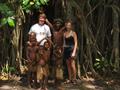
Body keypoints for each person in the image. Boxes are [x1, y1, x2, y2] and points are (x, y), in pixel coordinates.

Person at [28, 13, 52, 90]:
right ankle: (38, 84)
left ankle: (45, 85)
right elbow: (30, 37)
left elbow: (49, 38)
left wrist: (49, 48)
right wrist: (30, 44)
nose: (42, 19)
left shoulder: (47, 27)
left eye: (43, 18)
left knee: (45, 65)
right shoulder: (34, 27)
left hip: (45, 48)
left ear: (45, 19)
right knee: (37, 66)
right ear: (38, 18)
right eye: (40, 18)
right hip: (36, 48)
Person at [46, 18, 65, 85]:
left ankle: (59, 80)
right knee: (54, 64)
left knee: (59, 65)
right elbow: (49, 24)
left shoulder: (62, 30)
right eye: (56, 23)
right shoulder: (53, 30)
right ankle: (53, 79)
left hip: (60, 49)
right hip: (54, 49)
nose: (57, 24)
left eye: (59, 23)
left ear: (61, 24)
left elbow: (67, 25)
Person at [63, 19, 78, 84]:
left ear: (71, 26)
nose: (68, 26)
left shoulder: (73, 33)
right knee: (68, 65)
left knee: (72, 65)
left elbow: (76, 42)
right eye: (67, 25)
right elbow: (64, 43)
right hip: (66, 50)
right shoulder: (64, 33)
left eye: (69, 25)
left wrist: (74, 51)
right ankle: (70, 78)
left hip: (72, 49)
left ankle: (74, 79)